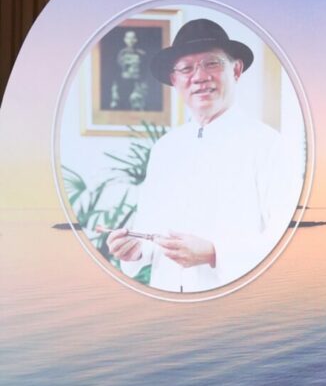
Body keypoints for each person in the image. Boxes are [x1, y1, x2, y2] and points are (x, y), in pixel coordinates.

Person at [105, 18, 300, 293]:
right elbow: (151, 229)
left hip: (235, 301)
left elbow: (287, 238)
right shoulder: (164, 149)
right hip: (168, 297)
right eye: (186, 68)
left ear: (236, 70)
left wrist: (214, 253)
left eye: (212, 64)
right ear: (174, 80)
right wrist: (134, 250)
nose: (199, 77)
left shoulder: (268, 145)